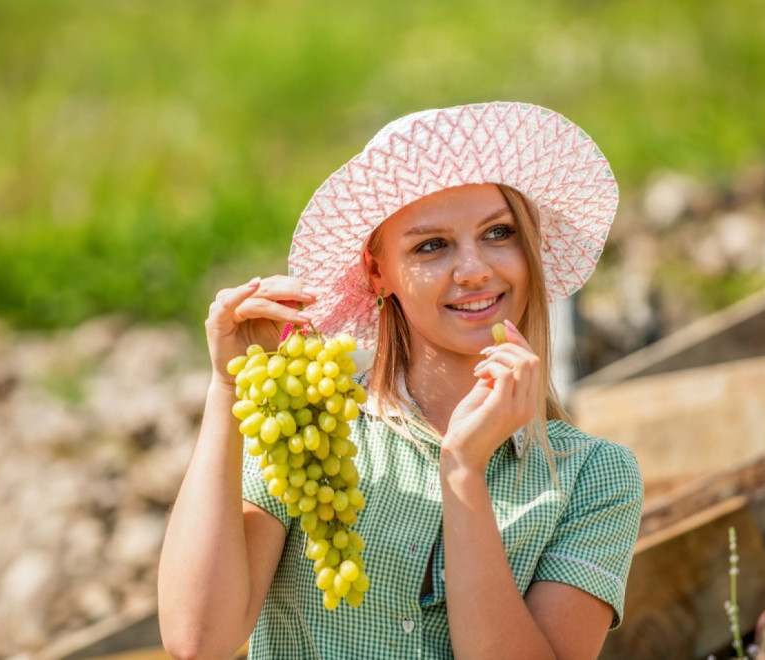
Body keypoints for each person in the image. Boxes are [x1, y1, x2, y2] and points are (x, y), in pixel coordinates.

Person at [158, 101, 644, 660]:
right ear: (376, 270)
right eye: (431, 245)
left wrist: (463, 470)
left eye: (498, 233)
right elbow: (197, 640)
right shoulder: (314, 429)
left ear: (528, 246)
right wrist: (227, 389)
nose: (474, 269)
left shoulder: (592, 478)